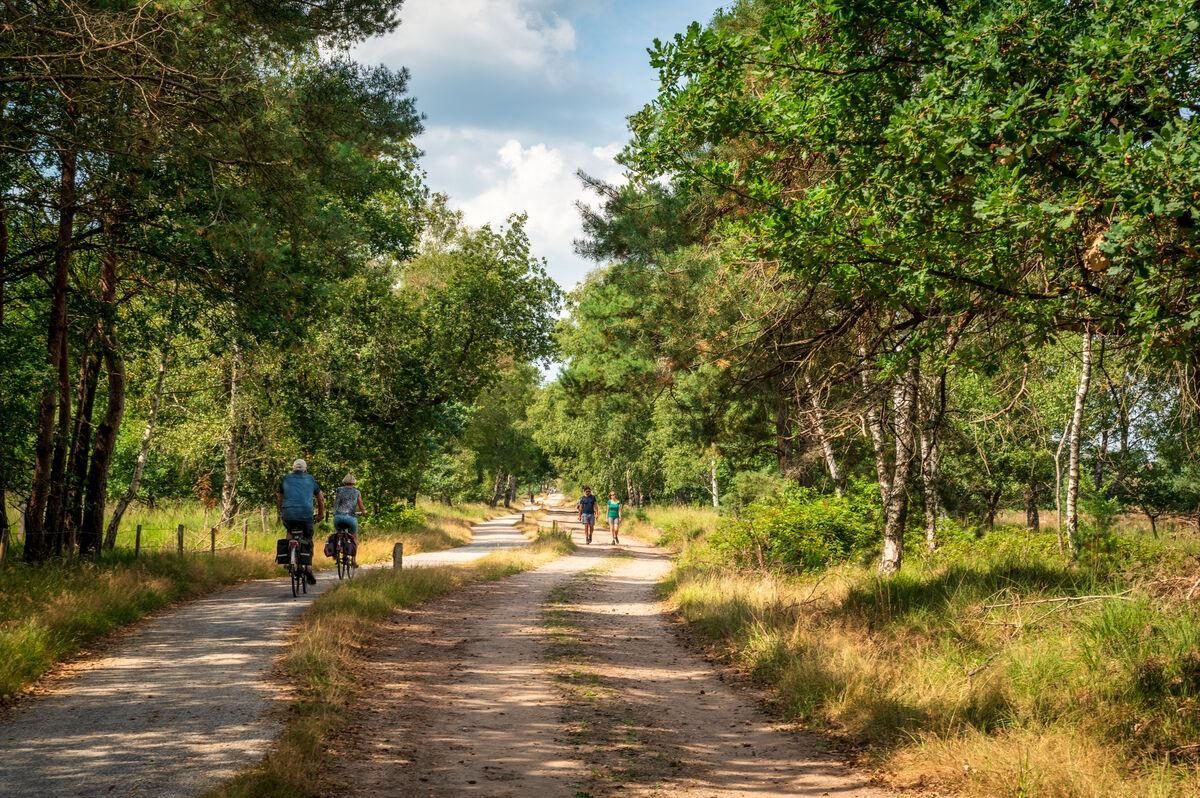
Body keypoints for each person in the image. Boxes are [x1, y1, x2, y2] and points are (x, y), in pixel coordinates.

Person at [277, 459, 324, 585]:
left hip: (288, 514)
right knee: (308, 538)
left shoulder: (286, 479)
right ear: (305, 468)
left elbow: (280, 497)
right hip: (306, 515)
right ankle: (308, 568)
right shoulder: (310, 479)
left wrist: (282, 511)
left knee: (289, 531)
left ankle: (289, 559)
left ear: (293, 468)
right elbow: (320, 499)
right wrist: (320, 514)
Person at [333, 474, 366, 565]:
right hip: (350, 518)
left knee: (337, 533)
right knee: (354, 537)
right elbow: (361, 505)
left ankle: (337, 550)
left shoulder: (339, 490)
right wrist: (364, 512)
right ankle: (354, 560)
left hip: (338, 517)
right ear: (353, 482)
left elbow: (335, 502)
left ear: (344, 482)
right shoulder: (357, 492)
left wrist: (335, 512)